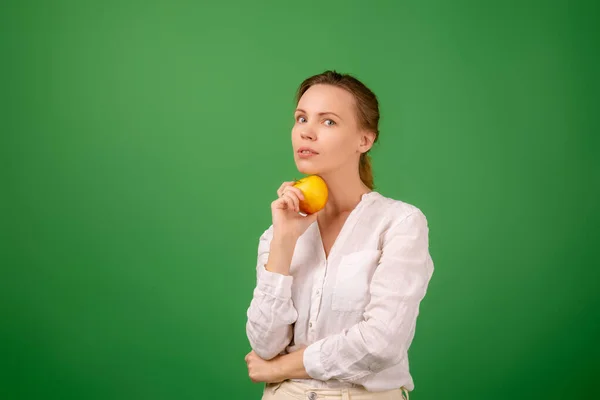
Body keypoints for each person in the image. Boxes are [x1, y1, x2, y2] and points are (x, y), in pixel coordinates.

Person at [245, 70, 434, 400]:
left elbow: (381, 344)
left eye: (328, 121)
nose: (307, 132)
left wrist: (279, 369)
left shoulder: (399, 223)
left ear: (365, 139)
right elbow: (264, 344)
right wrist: (284, 240)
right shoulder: (279, 232)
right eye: (301, 118)